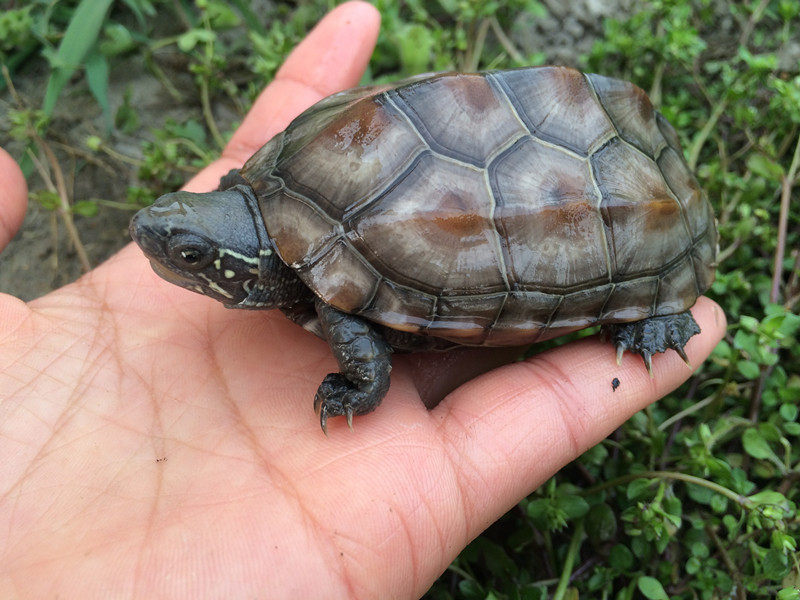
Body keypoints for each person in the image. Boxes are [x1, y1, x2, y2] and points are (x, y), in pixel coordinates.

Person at [0, 2, 725, 597]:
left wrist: (360, 380)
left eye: (190, 257)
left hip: (624, 226)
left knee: (588, 273)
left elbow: (363, 353)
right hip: (569, 122)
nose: (157, 244)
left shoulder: (326, 275)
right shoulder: (282, 165)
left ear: (243, 268)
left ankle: (652, 303)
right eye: (185, 242)